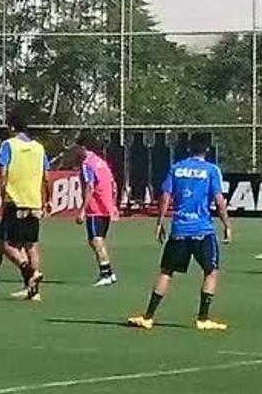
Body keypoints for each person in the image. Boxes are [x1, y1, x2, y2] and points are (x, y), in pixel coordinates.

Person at [128, 134, 232, 331]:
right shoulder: (211, 170)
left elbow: (165, 196)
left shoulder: (176, 168)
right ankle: (203, 318)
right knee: (211, 271)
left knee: (166, 271)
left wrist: (160, 223)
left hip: (179, 229)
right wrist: (227, 224)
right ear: (207, 150)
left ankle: (148, 316)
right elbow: (219, 200)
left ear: (189, 149)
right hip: (202, 230)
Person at [0, 114, 47, 300]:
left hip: (15, 201)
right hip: (34, 201)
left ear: (12, 127)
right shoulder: (39, 148)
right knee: (29, 245)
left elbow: (3, 173)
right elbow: (46, 177)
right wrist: (47, 200)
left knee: (4, 245)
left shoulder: (8, 145)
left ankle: (30, 273)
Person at [73, 132, 119, 286]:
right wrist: (113, 205)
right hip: (105, 207)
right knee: (97, 240)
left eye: (77, 147)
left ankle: (105, 273)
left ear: (83, 147)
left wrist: (82, 210)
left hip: (95, 208)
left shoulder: (87, 164)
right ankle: (109, 272)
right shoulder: (101, 162)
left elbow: (89, 187)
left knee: (96, 240)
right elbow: (113, 185)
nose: (76, 150)